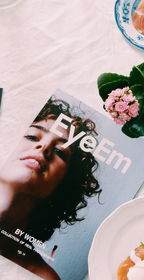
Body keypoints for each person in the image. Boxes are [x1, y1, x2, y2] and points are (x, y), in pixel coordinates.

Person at [0, 97, 101, 280]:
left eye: (60, 152)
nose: (44, 146)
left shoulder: (42, 275)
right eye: (31, 136)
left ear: (65, 182)